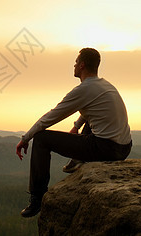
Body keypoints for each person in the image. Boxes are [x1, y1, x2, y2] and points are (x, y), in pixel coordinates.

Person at [16, 48, 132, 218]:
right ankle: (77, 160)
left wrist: (26, 138)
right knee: (94, 127)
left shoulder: (84, 89)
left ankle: (37, 198)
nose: (74, 65)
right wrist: (76, 126)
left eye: (76, 62)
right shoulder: (104, 85)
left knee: (41, 138)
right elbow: (92, 109)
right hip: (124, 147)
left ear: (82, 65)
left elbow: (50, 117)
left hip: (106, 148)